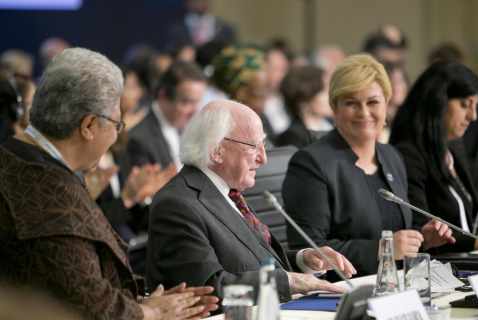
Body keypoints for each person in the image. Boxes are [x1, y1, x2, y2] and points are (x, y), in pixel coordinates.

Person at [0, 47, 218, 320]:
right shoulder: (47, 193)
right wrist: (155, 314)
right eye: (117, 124)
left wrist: (142, 302)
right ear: (89, 125)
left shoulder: (21, 159)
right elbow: (93, 312)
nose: (118, 135)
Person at [147, 99, 356, 302]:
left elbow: (251, 264)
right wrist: (289, 281)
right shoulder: (177, 204)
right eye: (253, 146)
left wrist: (304, 260)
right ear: (217, 151)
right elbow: (209, 288)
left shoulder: (228, 191)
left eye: (263, 145)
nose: (263, 158)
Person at [282, 54, 454, 278]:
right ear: (335, 108)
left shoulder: (392, 156)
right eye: (351, 103)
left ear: (387, 103)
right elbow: (310, 250)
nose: (364, 113)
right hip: (341, 294)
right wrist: (384, 249)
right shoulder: (310, 164)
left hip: (397, 286)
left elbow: (398, 237)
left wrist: (422, 238)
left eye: (372, 102)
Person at [390, 62, 478, 252]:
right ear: (438, 103)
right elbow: (420, 227)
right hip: (438, 269)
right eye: (465, 105)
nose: (473, 116)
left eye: (475, 106)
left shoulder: (453, 148)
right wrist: (476, 242)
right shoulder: (408, 155)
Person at [127, 60, 207, 172]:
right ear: (163, 95)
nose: (195, 111)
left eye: (197, 102)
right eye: (187, 102)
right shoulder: (139, 140)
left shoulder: (190, 129)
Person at [276, 65, 333, 148]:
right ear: (304, 99)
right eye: (324, 90)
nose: (332, 95)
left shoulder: (336, 127)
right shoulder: (293, 137)